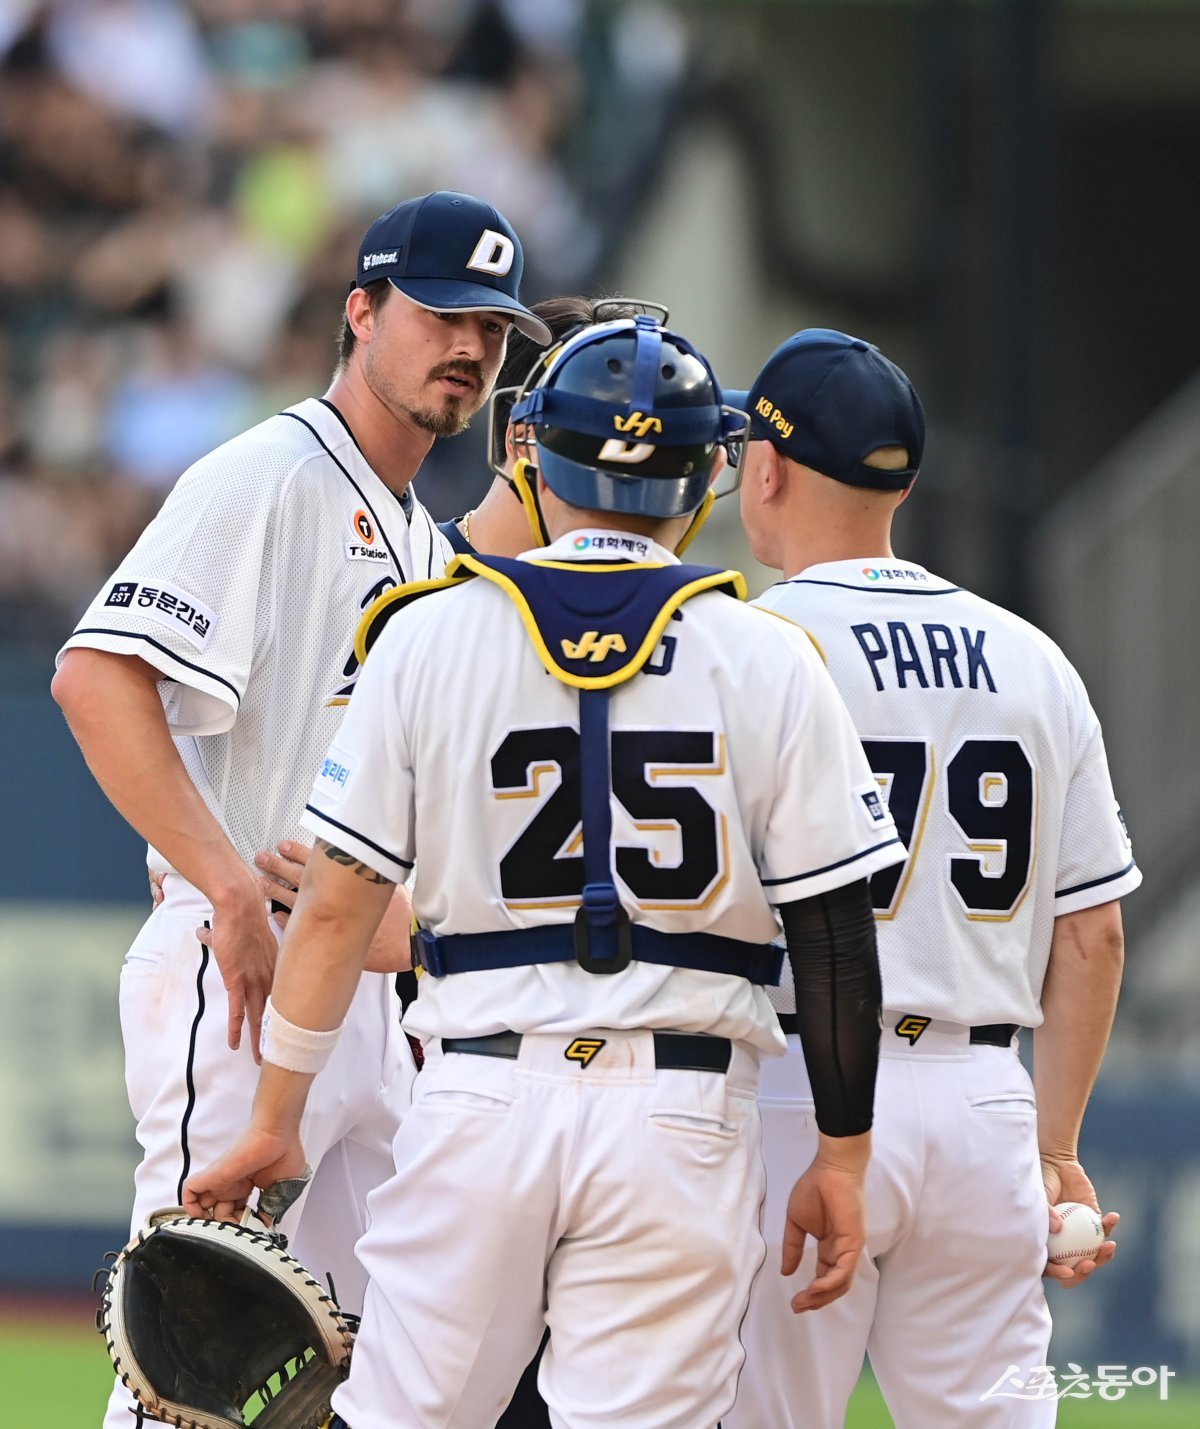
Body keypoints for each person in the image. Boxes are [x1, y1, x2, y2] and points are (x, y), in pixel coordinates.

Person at [183, 315, 907, 1429]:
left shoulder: (424, 633)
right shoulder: (768, 654)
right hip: (682, 1108)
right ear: (708, 472)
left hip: (481, 1090)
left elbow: (334, 907)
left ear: (527, 448)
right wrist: (845, 1154)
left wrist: (279, 1113)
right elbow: (836, 935)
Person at [50, 189, 550, 1429]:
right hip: (246, 963)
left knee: (388, 1357)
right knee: (188, 1357)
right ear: (361, 310)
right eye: (442, 316)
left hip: (357, 990)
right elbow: (95, 676)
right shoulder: (272, 474)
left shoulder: (421, 533)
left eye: (490, 328)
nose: (470, 350)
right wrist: (224, 883)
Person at [723, 329, 1140, 1428]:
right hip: (981, 1100)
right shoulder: (1031, 656)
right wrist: (1053, 1150)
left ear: (765, 469)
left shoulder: (747, 644)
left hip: (798, 1088)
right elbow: (1092, 935)